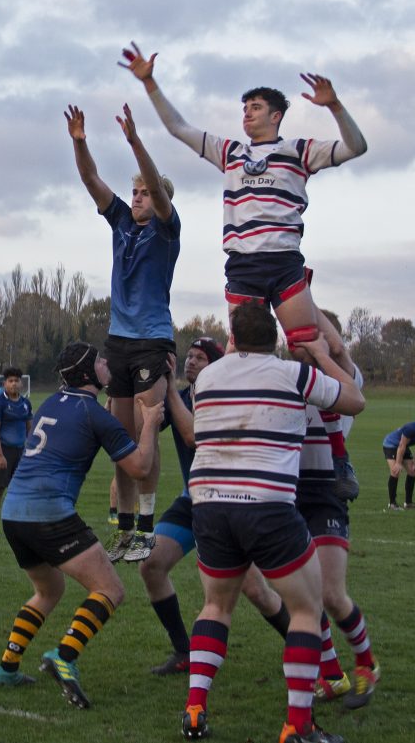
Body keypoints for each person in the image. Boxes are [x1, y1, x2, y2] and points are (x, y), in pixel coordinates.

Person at [120, 44, 365, 493]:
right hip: (245, 268)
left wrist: (335, 107)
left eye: (254, 108)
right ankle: (220, 448)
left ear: (276, 115)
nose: (246, 115)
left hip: (285, 264)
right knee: (236, 356)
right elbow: (178, 127)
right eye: (244, 108)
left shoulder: (298, 151)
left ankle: (338, 458)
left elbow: (356, 146)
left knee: (309, 349)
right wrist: (149, 82)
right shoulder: (231, 152)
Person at [179, 303, 364, 743]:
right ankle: (297, 726)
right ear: (276, 341)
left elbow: (233, 360)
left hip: (208, 504)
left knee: (215, 607)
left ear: (233, 340)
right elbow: (355, 399)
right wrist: (320, 353)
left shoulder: (206, 379)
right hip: (266, 505)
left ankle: (193, 710)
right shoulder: (290, 375)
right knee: (305, 608)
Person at [0, 342, 164, 709]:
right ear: (88, 372)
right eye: (101, 360)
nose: (106, 364)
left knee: (48, 590)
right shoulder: (94, 415)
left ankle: (7, 668)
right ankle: (64, 656)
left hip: (14, 513)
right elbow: (141, 468)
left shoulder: (52, 402)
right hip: (49, 512)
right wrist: (148, 425)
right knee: (110, 590)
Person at [65, 102, 179, 563]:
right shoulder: (118, 221)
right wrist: (80, 141)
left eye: (144, 193)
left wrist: (135, 142)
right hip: (119, 341)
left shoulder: (168, 229)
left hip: (153, 340)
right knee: (123, 441)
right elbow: (92, 181)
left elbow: (156, 187)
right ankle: (128, 530)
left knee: (149, 434)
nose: (136, 197)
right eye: (134, 192)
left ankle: (148, 528)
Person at [143, 337, 291, 676]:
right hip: (192, 499)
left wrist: (167, 392)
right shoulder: (179, 397)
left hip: (228, 503)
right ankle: (184, 651)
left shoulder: (223, 399)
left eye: (200, 358)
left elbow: (193, 434)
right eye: (189, 357)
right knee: (151, 565)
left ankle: (308, 648)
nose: (191, 362)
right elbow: (143, 427)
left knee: (256, 591)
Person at [299, 398, 380, 711]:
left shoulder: (337, 377)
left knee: (331, 593)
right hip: (287, 491)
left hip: (326, 493)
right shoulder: (287, 374)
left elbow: (354, 390)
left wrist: (322, 349)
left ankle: (366, 663)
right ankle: (332, 675)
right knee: (303, 595)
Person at [0, 366, 34, 537]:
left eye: (16, 381)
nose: (14, 384)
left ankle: (18, 523)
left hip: (20, 452)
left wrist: (33, 450)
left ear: (21, 383)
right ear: (5, 384)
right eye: (10, 381)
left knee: (21, 488)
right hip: (2, 450)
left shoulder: (26, 404)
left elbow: (30, 429)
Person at [382, 412, 415, 510]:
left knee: (413, 472)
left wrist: (414, 463)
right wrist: (398, 463)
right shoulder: (411, 428)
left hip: (403, 446)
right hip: (391, 444)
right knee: (395, 472)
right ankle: (392, 504)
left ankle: (408, 503)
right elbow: (401, 445)